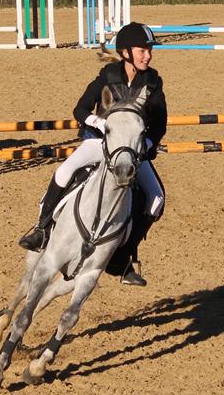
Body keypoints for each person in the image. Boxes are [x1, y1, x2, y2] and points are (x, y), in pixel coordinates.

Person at [17, 22, 167, 287]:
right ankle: (41, 230)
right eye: (142, 50)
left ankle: (124, 256)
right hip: (98, 143)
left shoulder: (153, 81)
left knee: (156, 198)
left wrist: (148, 143)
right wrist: (96, 122)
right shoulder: (108, 75)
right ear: (125, 53)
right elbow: (80, 109)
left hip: (131, 151)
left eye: (149, 49)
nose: (148, 55)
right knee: (63, 172)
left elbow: (159, 123)